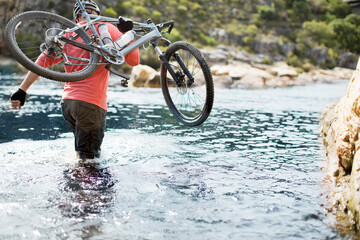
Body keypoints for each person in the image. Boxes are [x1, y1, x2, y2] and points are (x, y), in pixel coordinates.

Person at [10, 0, 140, 160]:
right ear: (98, 14)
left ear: (76, 18)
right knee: (89, 162)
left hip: (68, 104)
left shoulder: (68, 34)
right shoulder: (106, 28)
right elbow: (134, 61)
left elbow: (42, 62)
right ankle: (76, 184)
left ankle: (74, 180)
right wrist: (128, 35)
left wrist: (22, 89)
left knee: (83, 153)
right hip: (91, 104)